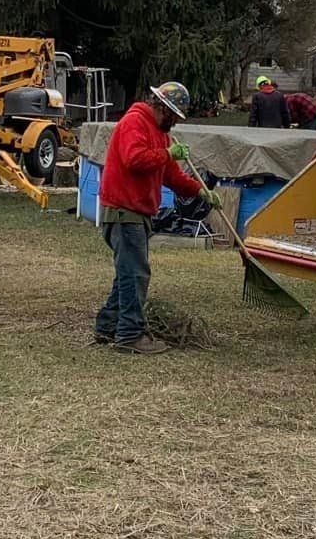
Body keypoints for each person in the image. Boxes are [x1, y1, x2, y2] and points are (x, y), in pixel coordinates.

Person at [94, 81, 221, 354]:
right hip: (123, 211)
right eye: (174, 117)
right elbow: (134, 159)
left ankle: (107, 325)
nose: (174, 124)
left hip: (136, 212)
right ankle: (129, 335)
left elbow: (172, 176)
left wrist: (201, 191)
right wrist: (167, 154)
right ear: (162, 108)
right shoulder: (134, 122)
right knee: (136, 275)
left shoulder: (161, 134)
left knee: (127, 272)